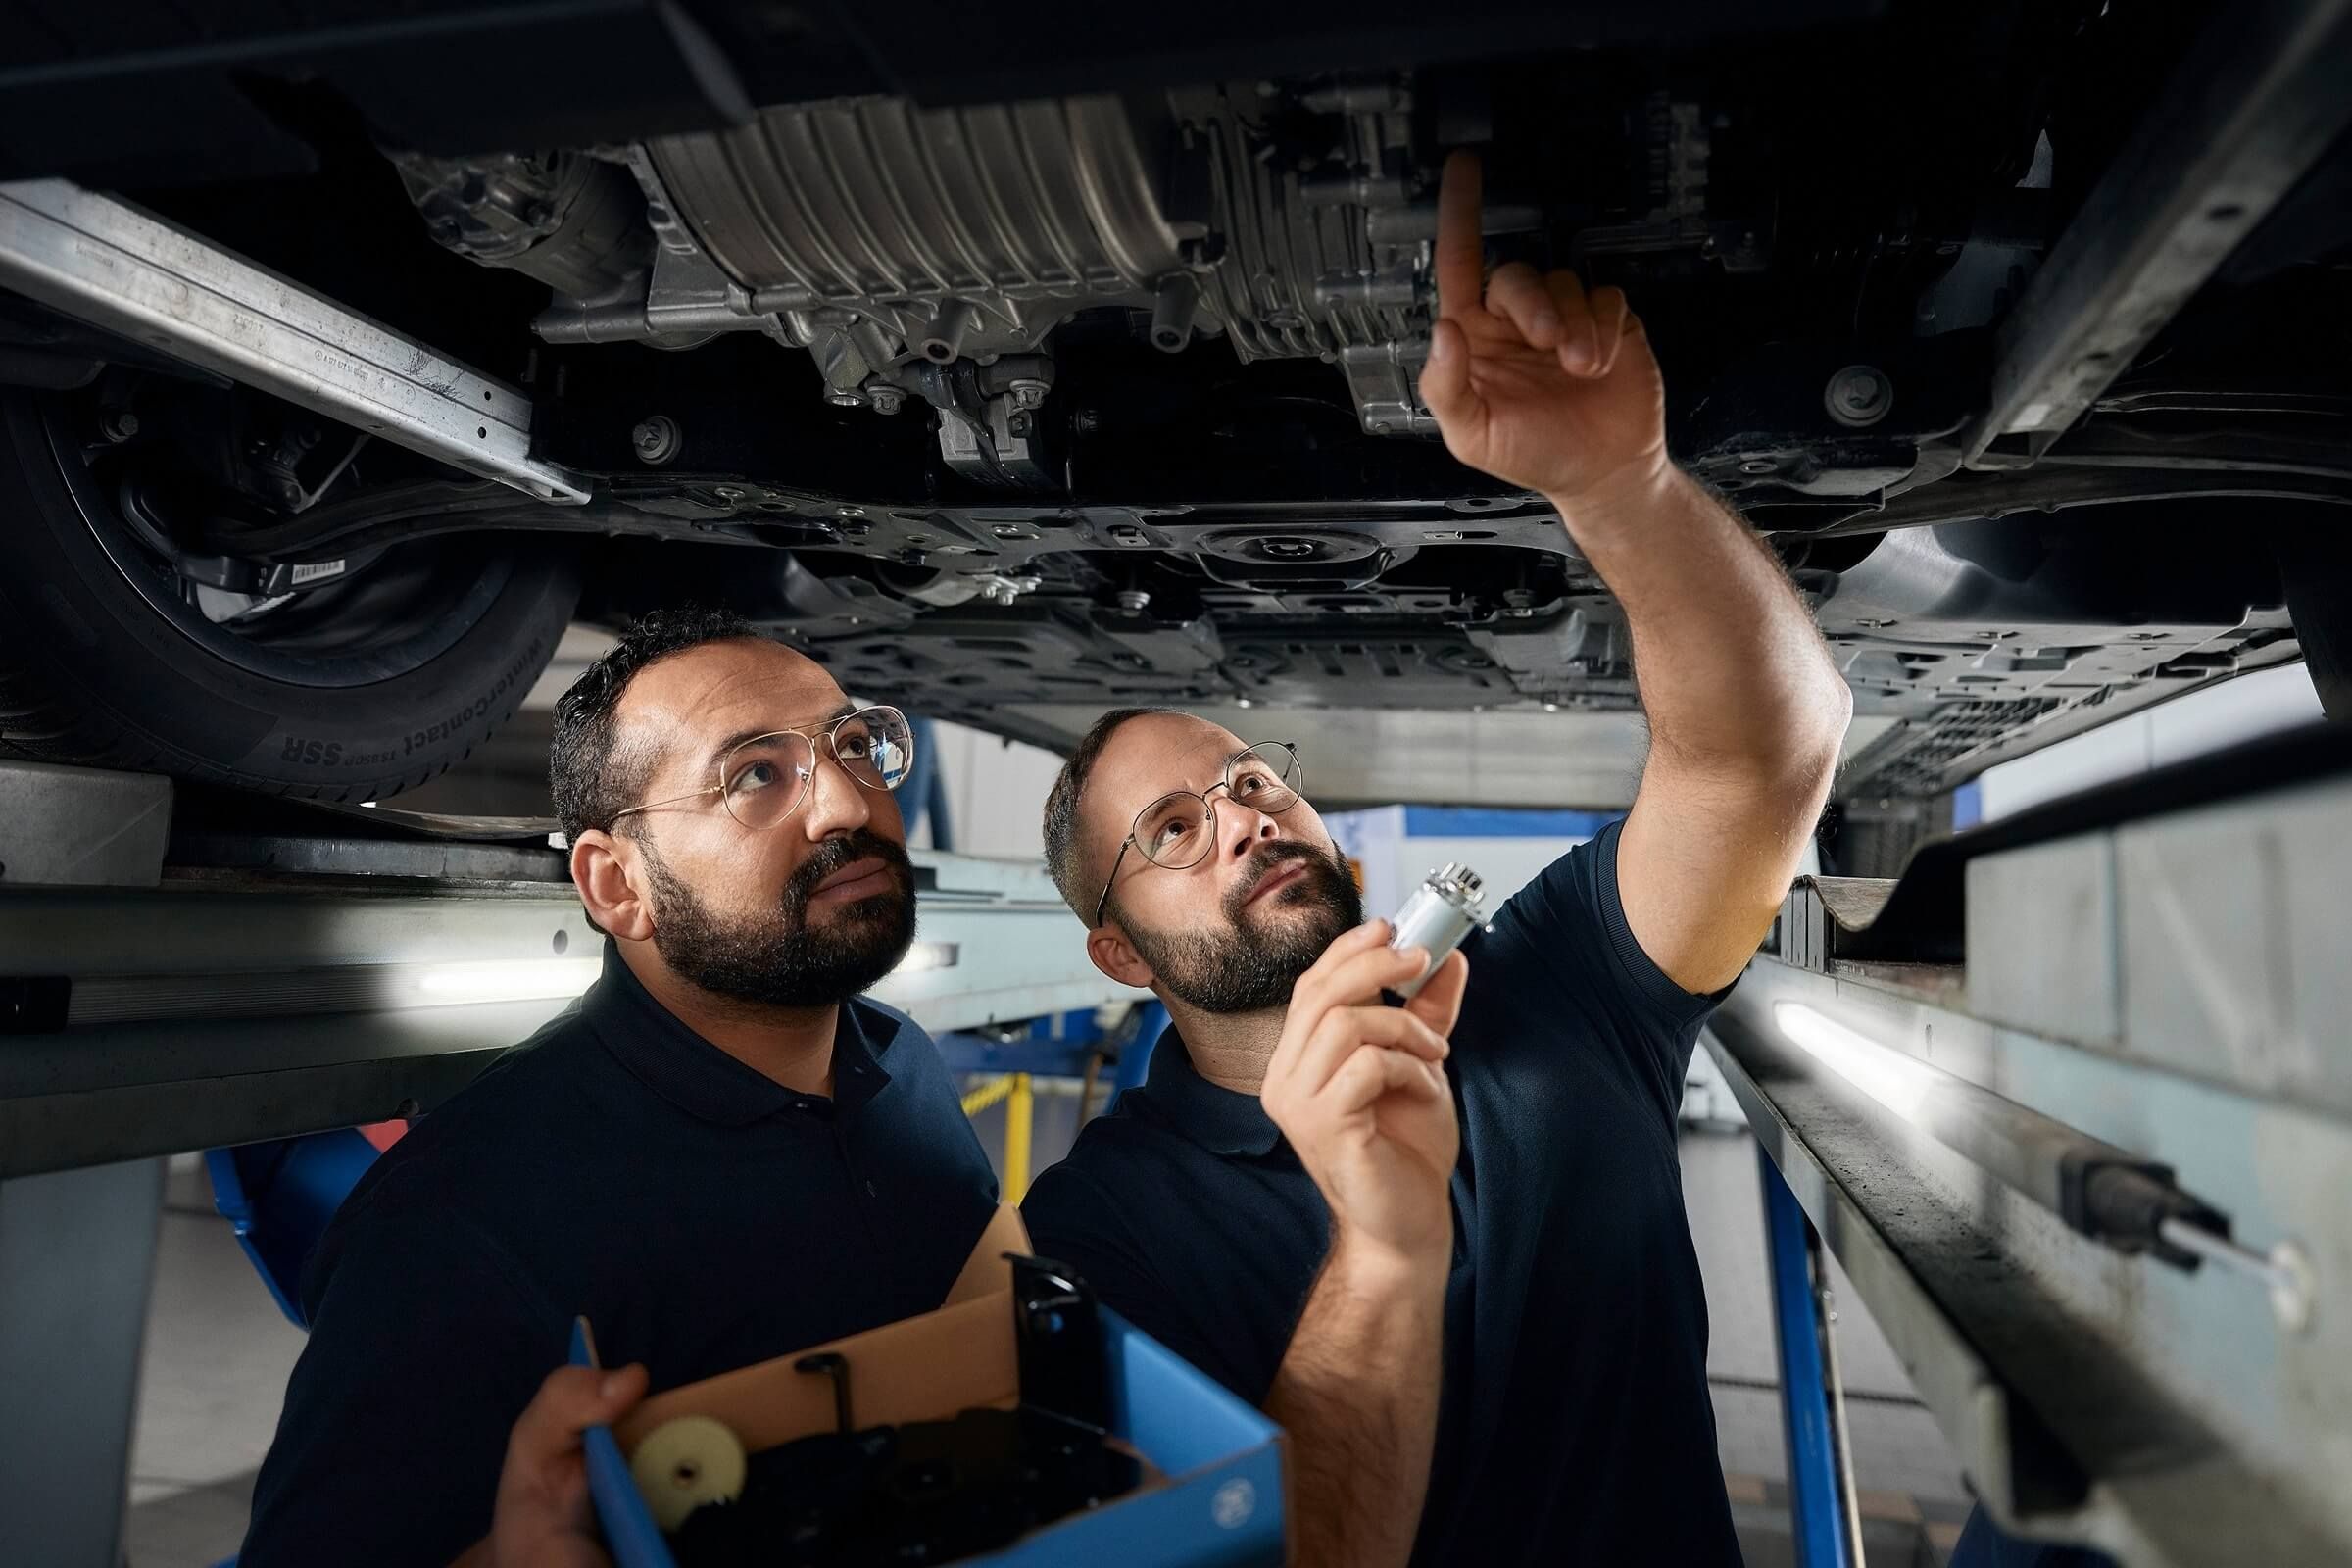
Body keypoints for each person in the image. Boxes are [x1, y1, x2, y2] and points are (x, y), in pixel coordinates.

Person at [1020, 151, 1853, 1567]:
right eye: (1172, 829)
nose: (1241, 816)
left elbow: (1766, 755)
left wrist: (1623, 488)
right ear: (1116, 947)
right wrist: (1384, 1253)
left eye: (1253, 781)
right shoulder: (1104, 1220)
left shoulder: (1562, 983)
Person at [240, 609, 1000, 1568]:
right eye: (757, 774)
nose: (847, 805)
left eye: (852, 746)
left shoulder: (903, 1060)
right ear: (616, 884)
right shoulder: (460, 1221)